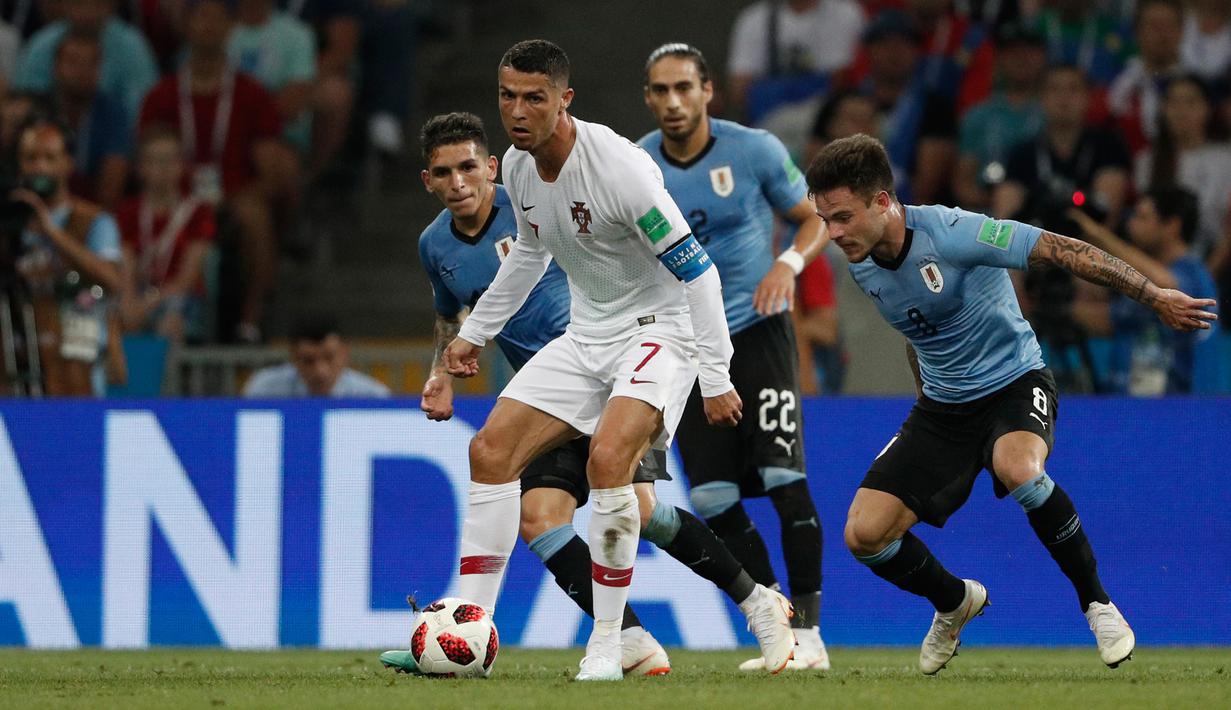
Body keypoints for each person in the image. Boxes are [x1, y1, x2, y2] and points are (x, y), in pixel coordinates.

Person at [381, 111, 795, 679]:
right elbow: (454, 309)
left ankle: (753, 602)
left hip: (636, 354)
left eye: (468, 168)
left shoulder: (562, 182)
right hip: (568, 368)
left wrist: (713, 373)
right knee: (535, 510)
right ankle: (484, 631)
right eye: (443, 172)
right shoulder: (436, 243)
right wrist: (446, 363)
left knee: (643, 512)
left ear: (490, 167)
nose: (458, 183)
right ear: (426, 179)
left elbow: (692, 271)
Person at [807, 133, 1217, 675]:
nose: (832, 233)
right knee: (863, 535)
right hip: (942, 409)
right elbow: (920, 335)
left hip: (1015, 383)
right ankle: (954, 603)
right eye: (825, 219)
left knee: (1019, 467)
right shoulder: (862, 261)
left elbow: (1064, 250)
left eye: (842, 217)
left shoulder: (955, 232)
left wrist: (1153, 295)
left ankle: (1098, 604)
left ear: (883, 201)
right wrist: (926, 404)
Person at [638, 43, 830, 672]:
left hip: (757, 333)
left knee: (782, 479)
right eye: (661, 91)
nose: (673, 102)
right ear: (648, 97)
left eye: (684, 88)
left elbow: (814, 220)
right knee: (716, 499)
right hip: (687, 350)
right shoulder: (636, 165)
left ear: (708, 91)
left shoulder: (754, 150)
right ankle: (778, 626)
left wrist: (788, 264)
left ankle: (813, 637)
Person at [138, 0, 286, 343]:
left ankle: (251, 322)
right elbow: (142, 161)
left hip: (230, 203)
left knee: (255, 216)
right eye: (199, 17)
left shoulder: (251, 93)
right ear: (184, 27)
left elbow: (270, 173)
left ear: (231, 27)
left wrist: (233, 198)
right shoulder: (162, 95)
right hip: (174, 200)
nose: (207, 26)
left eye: (216, 18)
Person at [8, 116, 124, 395]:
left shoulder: (94, 222)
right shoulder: (10, 226)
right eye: (30, 158)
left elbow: (112, 281)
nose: (39, 167)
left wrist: (51, 232)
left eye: (49, 158)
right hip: (19, 362)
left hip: (80, 364)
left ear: (68, 163)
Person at [1067, 188, 1219, 395]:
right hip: (1124, 405)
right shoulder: (1141, 281)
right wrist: (1060, 307)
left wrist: (1097, 235)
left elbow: (1167, 286)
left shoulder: (1193, 274)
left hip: (1180, 410)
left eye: (1142, 217)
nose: (1131, 224)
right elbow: (1111, 319)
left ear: (1172, 226)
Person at [116, 128, 215, 345]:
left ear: (182, 165)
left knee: (171, 320)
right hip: (140, 292)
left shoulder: (198, 212)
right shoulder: (127, 212)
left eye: (171, 160)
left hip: (180, 298)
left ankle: (166, 378)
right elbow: (126, 270)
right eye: (156, 160)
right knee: (116, 314)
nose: (164, 168)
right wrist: (130, 303)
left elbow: (187, 278)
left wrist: (147, 303)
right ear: (141, 167)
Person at [12, 0, 158, 119]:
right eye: (79, 3)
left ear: (112, 5)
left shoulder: (132, 46)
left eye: (96, 3)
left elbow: (142, 108)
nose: (87, 12)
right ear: (65, 5)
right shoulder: (42, 44)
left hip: (113, 132)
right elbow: (25, 101)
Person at [49, 31, 129, 210]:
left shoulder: (113, 113)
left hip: (92, 215)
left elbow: (111, 189)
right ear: (55, 67)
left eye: (91, 63)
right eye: (73, 61)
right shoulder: (40, 111)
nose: (82, 71)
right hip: (46, 210)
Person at [242, 314, 389, 397]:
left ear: (344, 353)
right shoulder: (264, 389)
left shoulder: (372, 396)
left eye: (329, 357)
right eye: (308, 361)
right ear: (294, 356)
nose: (320, 371)